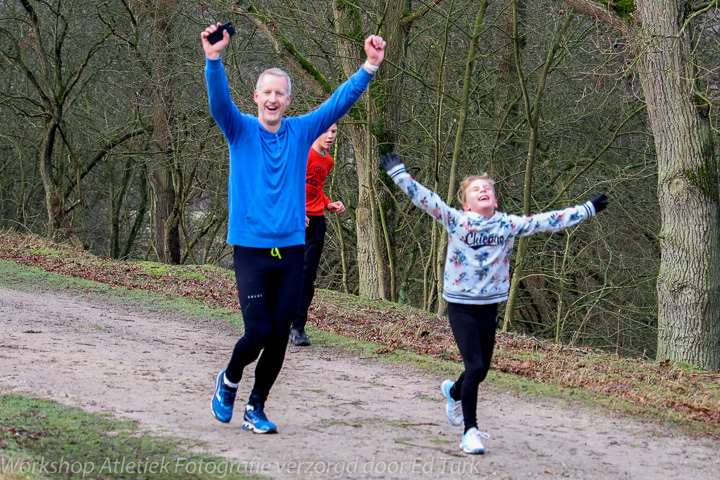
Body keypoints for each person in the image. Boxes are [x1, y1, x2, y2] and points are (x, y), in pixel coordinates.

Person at [202, 22, 385, 434]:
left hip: (291, 249)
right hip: (250, 249)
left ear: (287, 99)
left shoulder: (302, 130)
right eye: (265, 92)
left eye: (278, 93)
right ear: (256, 97)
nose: (272, 98)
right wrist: (214, 59)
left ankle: (256, 407)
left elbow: (339, 103)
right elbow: (218, 103)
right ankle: (229, 380)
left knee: (280, 336)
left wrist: (369, 67)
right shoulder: (240, 129)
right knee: (258, 332)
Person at [380, 152, 607, 455]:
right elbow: (427, 199)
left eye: (487, 189)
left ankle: (454, 391)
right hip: (460, 306)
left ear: (495, 201)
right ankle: (469, 431)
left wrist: (587, 209)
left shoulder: (508, 226)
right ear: (466, 204)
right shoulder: (456, 221)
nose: (483, 191)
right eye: (476, 190)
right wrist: (399, 175)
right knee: (474, 366)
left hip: (490, 306)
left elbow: (547, 221)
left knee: (482, 370)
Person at [289, 123, 345, 346]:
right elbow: (289, 184)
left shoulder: (328, 161)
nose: (330, 136)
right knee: (284, 271)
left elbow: (315, 187)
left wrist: (328, 204)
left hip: (316, 222)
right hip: (293, 221)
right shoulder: (303, 153)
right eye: (326, 131)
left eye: (334, 132)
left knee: (307, 275)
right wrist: (296, 211)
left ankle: (297, 327)